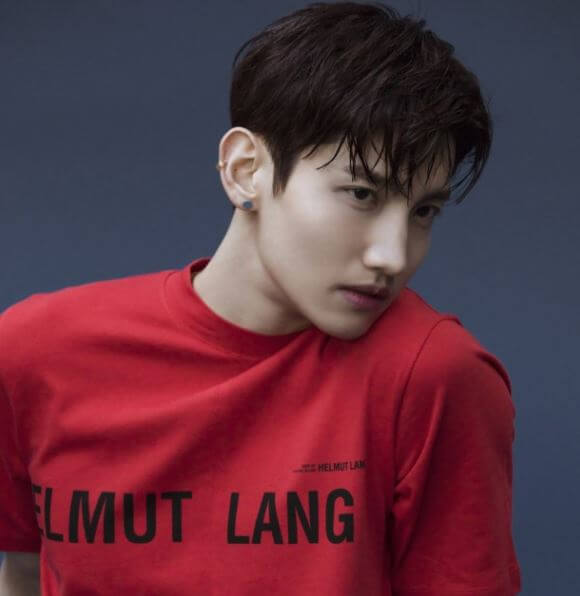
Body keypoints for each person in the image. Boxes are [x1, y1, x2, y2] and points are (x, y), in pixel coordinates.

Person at [0, 2, 522, 594]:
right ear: (245, 169)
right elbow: (23, 572)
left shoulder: (436, 377)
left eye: (423, 211)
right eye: (361, 194)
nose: (393, 256)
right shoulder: (37, 351)